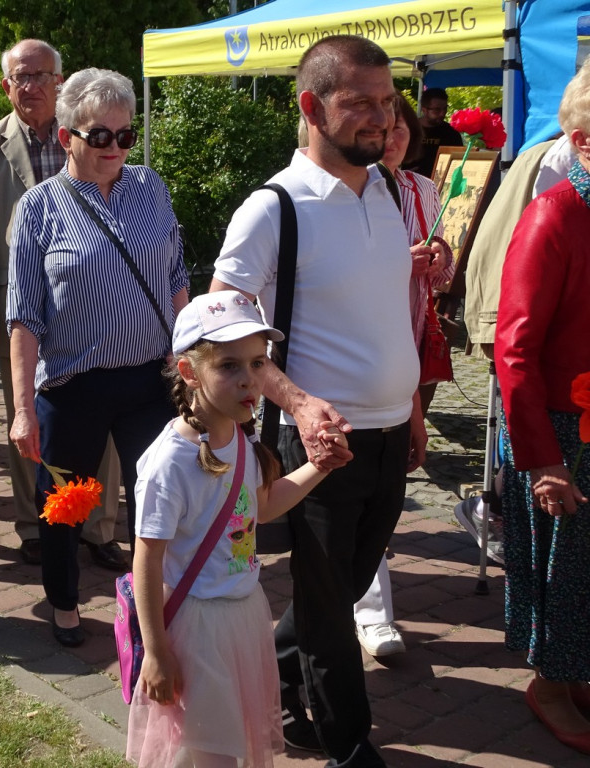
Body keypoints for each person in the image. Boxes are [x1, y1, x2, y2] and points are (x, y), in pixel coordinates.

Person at [211, 35, 426, 767]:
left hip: (394, 431)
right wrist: (299, 403)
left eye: (386, 102)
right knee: (334, 612)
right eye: (359, 103)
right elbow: (221, 328)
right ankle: (348, 744)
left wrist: (415, 407)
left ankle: (272, 678)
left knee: (342, 588)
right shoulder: (274, 207)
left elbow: (386, 312)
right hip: (321, 445)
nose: (380, 118)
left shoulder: (393, 190)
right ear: (310, 106)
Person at [8, 67, 189, 647]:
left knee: (155, 499)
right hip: (71, 385)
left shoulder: (150, 188)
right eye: (100, 136)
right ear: (67, 138)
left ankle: (150, 608)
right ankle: (64, 602)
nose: (116, 147)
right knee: (63, 505)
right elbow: (24, 316)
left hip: (149, 380)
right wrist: (20, 409)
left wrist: (190, 363)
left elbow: (176, 277)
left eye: (125, 134)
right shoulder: (37, 209)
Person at [127, 292, 347, 768]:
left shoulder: (239, 437)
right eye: (228, 365)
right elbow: (147, 559)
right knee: (210, 750)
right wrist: (158, 653)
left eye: (256, 363)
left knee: (224, 746)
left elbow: (262, 508)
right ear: (189, 372)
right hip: (198, 628)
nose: (248, 379)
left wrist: (320, 466)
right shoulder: (171, 462)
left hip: (244, 616)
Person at [0, 39, 125, 570]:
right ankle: (34, 524)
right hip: (21, 312)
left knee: (105, 418)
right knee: (25, 420)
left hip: (96, 305)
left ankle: (97, 527)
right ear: (6, 86)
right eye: (19, 77)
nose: (29, 86)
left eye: (40, 75)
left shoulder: (97, 134)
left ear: (59, 80)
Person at [494, 65, 590, 755]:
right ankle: (550, 685)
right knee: (562, 574)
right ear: (582, 141)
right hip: (557, 430)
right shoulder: (553, 214)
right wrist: (542, 460)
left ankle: (575, 673)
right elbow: (514, 350)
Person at [353, 94, 453, 659]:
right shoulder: (345, 188)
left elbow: (445, 275)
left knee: (395, 475)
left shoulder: (424, 190)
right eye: (383, 126)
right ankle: (370, 609)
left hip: (413, 350)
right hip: (360, 355)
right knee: (361, 483)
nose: (391, 137)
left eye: (400, 128)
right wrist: (398, 263)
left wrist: (438, 259)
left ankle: (359, 585)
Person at [455, 133, 574, 566]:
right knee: (522, 419)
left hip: (532, 323)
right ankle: (494, 507)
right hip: (528, 328)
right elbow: (517, 346)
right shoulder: (556, 186)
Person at [407, 87, 463, 178]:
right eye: (437, 110)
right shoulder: (409, 130)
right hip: (409, 183)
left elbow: (459, 162)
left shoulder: (451, 133)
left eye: (445, 109)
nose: (442, 113)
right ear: (424, 110)